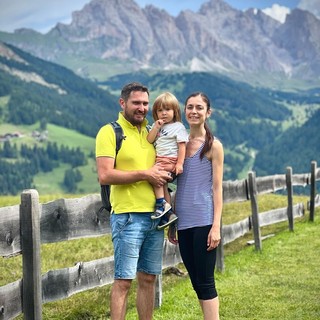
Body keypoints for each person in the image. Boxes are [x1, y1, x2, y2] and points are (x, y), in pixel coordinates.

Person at [95, 82, 171, 320]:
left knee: (149, 278)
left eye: (145, 103)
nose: (142, 108)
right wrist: (144, 174)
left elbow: (162, 175)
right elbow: (105, 175)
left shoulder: (151, 132)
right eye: (136, 103)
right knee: (123, 281)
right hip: (127, 217)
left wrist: (170, 214)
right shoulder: (110, 132)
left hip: (155, 218)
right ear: (123, 103)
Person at [168, 92, 224, 320]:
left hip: (204, 220)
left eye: (199, 107)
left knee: (206, 281)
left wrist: (216, 226)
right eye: (190, 107)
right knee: (195, 280)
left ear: (207, 112)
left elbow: (217, 188)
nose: (193, 111)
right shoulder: (178, 145)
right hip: (183, 222)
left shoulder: (214, 146)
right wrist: (172, 222)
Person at [147, 92, 189, 230]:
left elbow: (182, 146)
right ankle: (169, 214)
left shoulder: (178, 127)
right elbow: (149, 139)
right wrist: (156, 127)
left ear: (175, 111)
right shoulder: (159, 126)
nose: (164, 113)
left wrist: (179, 164)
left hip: (169, 160)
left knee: (155, 177)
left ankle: (161, 204)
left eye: (167, 110)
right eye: (160, 110)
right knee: (163, 185)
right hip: (160, 159)